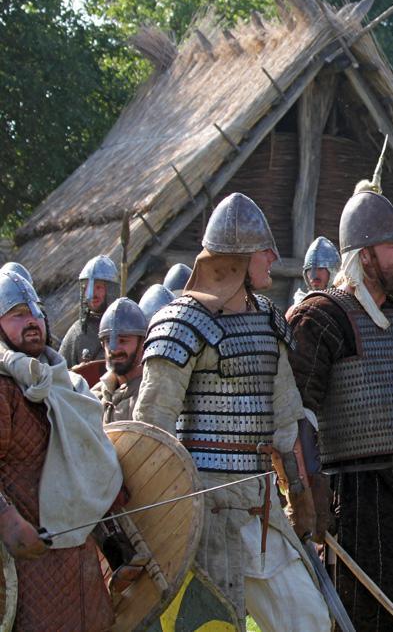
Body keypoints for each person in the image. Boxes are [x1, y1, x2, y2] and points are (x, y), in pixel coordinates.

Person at [133, 192, 327, 632]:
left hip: (259, 504)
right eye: (264, 250)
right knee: (207, 624)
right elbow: (151, 428)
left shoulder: (268, 321)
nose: (274, 258)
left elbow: (285, 416)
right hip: (198, 505)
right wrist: (154, 514)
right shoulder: (180, 323)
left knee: (308, 618)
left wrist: (300, 493)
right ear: (238, 258)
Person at [288, 186, 393, 631]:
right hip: (355, 500)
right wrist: (309, 493)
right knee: (362, 616)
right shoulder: (321, 317)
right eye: (392, 245)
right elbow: (297, 415)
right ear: (363, 255)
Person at [0, 269, 124, 631]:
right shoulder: (5, 388)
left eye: (35, 313)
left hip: (81, 562)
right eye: (17, 314)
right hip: (26, 567)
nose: (31, 322)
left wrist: (117, 546)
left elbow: (89, 472)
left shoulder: (66, 384)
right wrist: (7, 520)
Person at [91, 298, 149, 423]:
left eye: (123, 341)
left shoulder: (151, 395)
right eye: (108, 341)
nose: (114, 350)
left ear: (142, 343)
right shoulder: (93, 397)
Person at [59, 255, 120, 366]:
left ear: (111, 289)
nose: (91, 295)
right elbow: (59, 378)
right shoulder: (77, 333)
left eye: (98, 287)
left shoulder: (127, 325)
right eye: (87, 287)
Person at [292, 235, 340, 307]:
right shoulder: (298, 305)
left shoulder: (344, 304)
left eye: (320, 269)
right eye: (310, 270)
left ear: (333, 272)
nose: (313, 275)